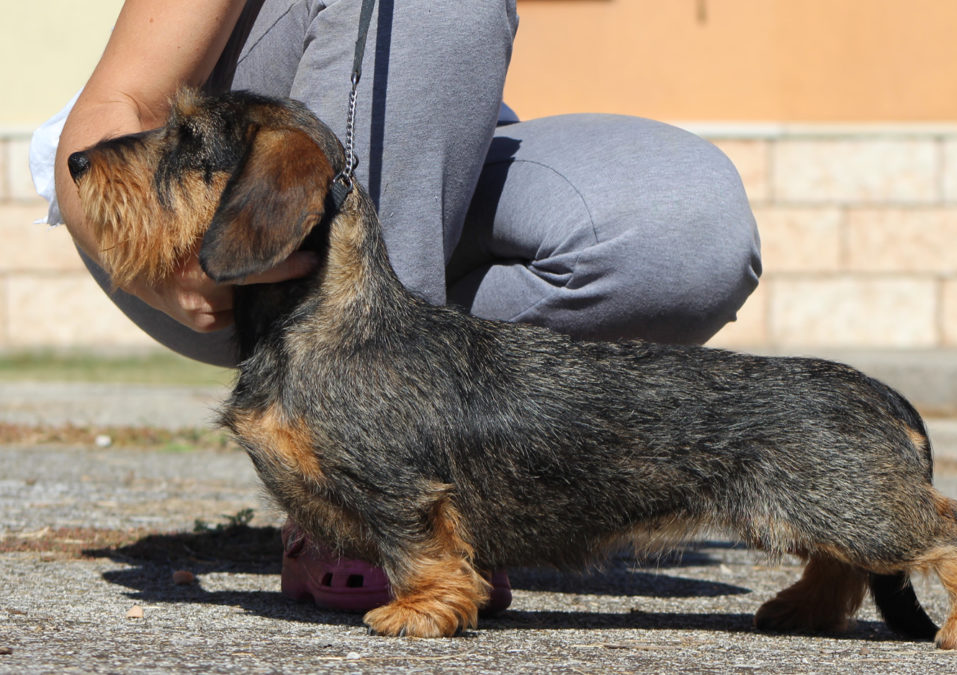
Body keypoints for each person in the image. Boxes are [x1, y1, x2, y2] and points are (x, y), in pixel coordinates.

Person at [34, 0, 762, 613]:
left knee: (688, 230)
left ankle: (437, 473)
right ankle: (347, 470)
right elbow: (114, 105)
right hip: (218, 208)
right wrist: (161, 269)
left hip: (427, 162)